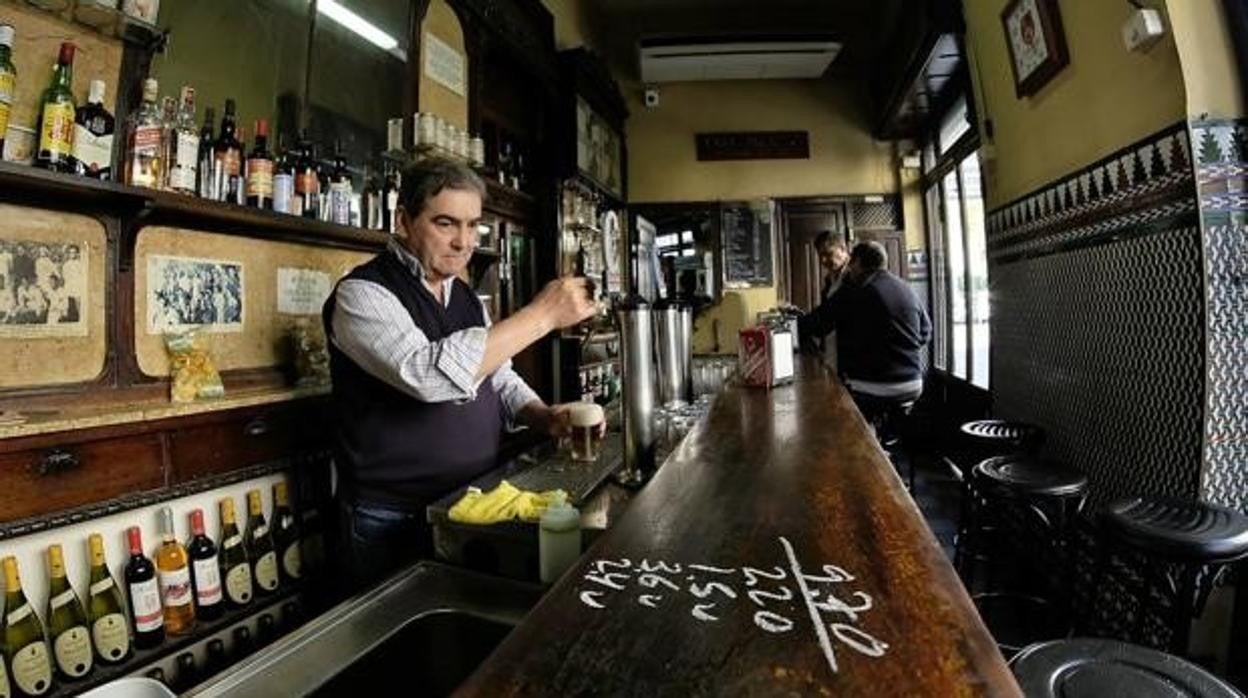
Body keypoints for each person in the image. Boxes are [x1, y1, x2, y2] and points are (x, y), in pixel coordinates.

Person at [323, 158, 597, 587]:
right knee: (402, 647)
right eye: (446, 224)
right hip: (391, 515)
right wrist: (542, 316)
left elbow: (497, 374)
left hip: (472, 501)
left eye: (473, 226)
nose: (463, 242)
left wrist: (543, 415)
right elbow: (427, 376)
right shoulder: (361, 294)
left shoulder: (466, 297)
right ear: (403, 221)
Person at [798, 241, 931, 412]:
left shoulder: (855, 289)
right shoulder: (905, 288)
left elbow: (818, 325)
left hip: (873, 387)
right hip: (914, 384)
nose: (850, 269)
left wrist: (796, 322)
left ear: (858, 262)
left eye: (851, 262)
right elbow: (925, 333)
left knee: (829, 398)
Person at [811, 231, 849, 367]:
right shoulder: (830, 279)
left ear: (843, 249)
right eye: (820, 255)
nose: (823, 260)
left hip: (850, 355)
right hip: (831, 350)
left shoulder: (854, 277)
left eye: (828, 254)